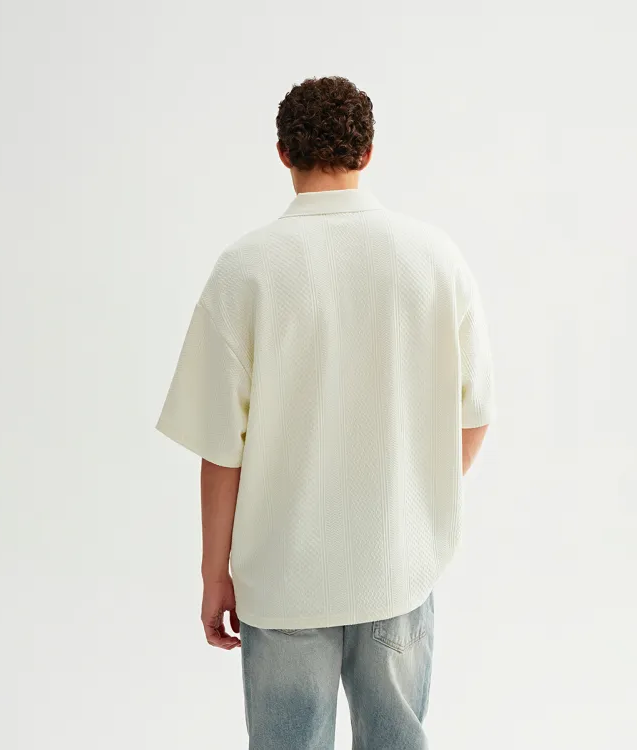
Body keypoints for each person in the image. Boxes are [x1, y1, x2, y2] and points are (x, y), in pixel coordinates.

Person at [156, 75, 495, 749]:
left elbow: (221, 448)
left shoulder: (245, 269)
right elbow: (476, 412)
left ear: (283, 153)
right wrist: (415, 500)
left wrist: (214, 572)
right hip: (396, 564)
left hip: (283, 575)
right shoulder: (434, 259)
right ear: (368, 153)